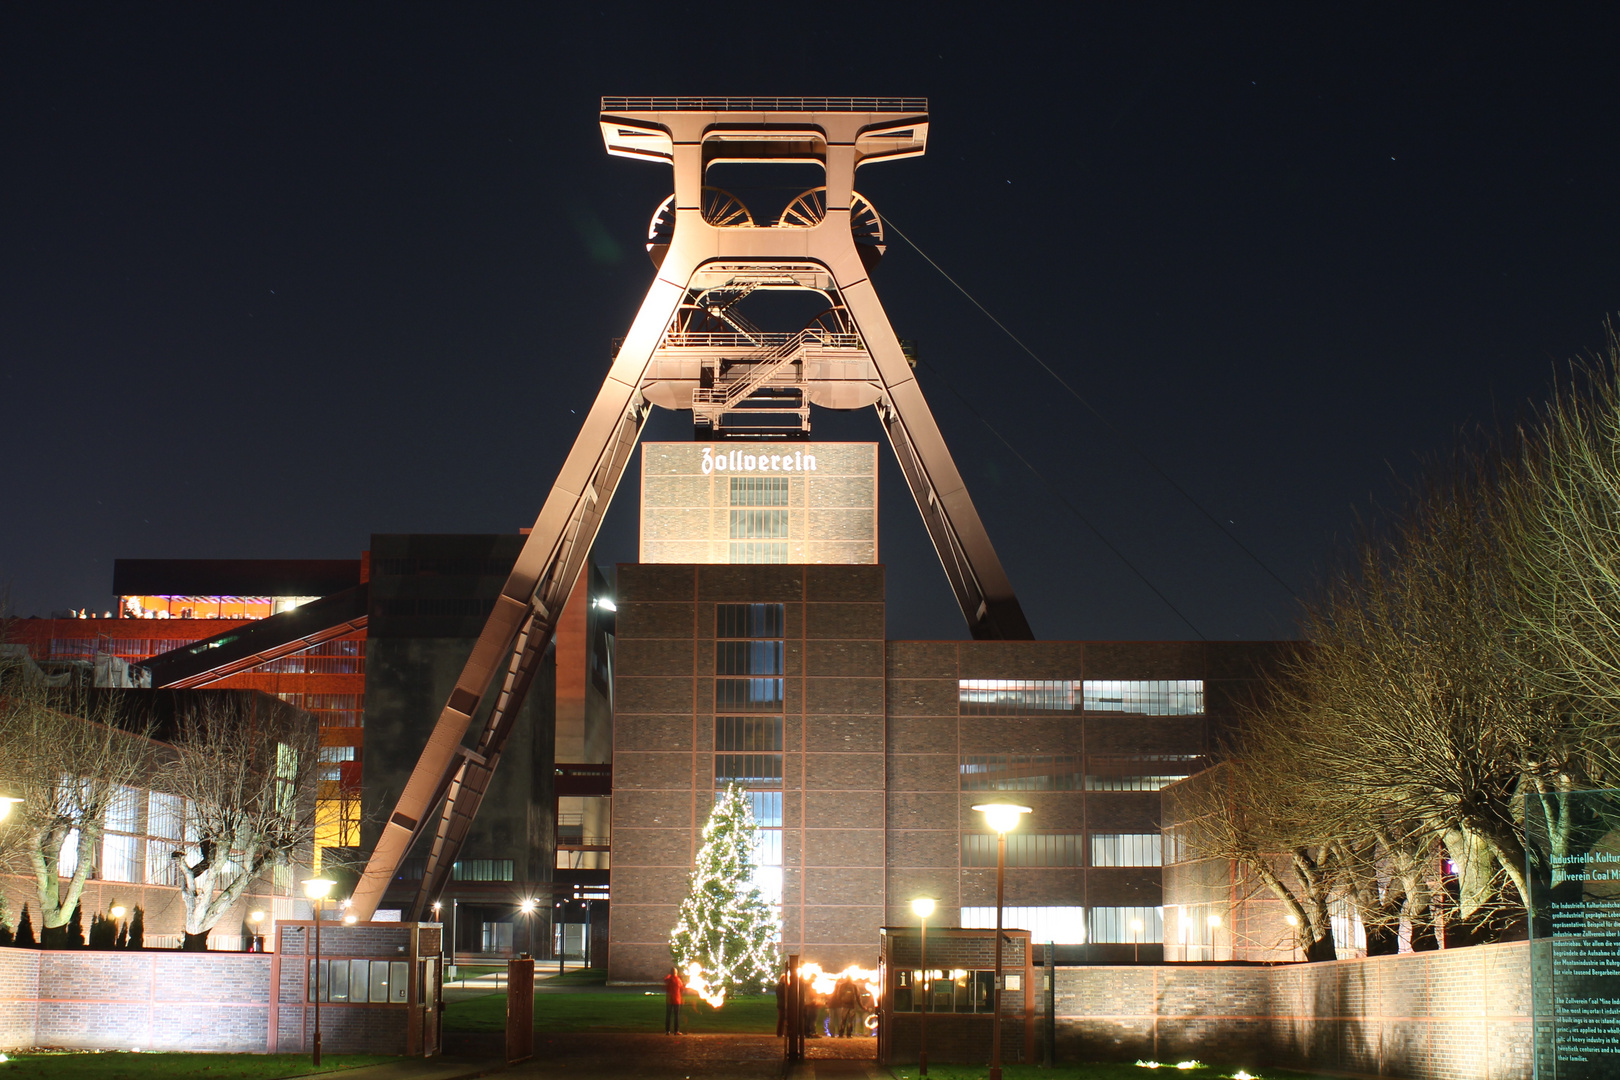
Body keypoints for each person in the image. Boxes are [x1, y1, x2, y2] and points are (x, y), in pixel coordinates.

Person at [663, 965, 685, 1035]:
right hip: (676, 999)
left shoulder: (669, 979)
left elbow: (665, 982)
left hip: (670, 999)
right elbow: (682, 989)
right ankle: (676, 1031)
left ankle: (667, 1031)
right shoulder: (678, 980)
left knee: (668, 1015)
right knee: (676, 1016)